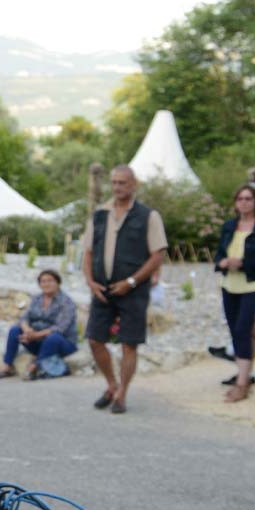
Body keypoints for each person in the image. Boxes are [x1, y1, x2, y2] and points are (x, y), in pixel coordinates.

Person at [83, 165, 168, 416]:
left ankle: (122, 394)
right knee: (95, 339)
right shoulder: (99, 215)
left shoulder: (148, 216)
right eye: (114, 183)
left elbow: (158, 255)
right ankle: (111, 384)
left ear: (133, 185)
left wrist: (132, 281)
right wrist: (90, 281)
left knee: (129, 343)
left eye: (123, 183)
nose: (118, 187)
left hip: (133, 289)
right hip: (102, 287)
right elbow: (87, 252)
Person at [214, 184, 255, 403]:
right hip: (229, 283)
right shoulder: (229, 226)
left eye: (248, 198)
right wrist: (222, 262)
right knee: (235, 329)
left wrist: (242, 263)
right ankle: (244, 374)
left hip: (253, 284)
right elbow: (219, 253)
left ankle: (242, 385)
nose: (244, 202)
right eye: (240, 198)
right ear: (235, 203)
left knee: (243, 328)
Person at [0, 269, 80, 380]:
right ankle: (7, 366)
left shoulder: (66, 302)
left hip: (62, 343)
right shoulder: (37, 299)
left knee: (53, 338)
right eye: (43, 281)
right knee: (15, 330)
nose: (46, 284)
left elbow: (60, 328)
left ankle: (34, 367)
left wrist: (36, 335)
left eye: (50, 281)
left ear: (58, 283)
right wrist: (27, 331)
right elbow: (24, 317)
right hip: (38, 340)